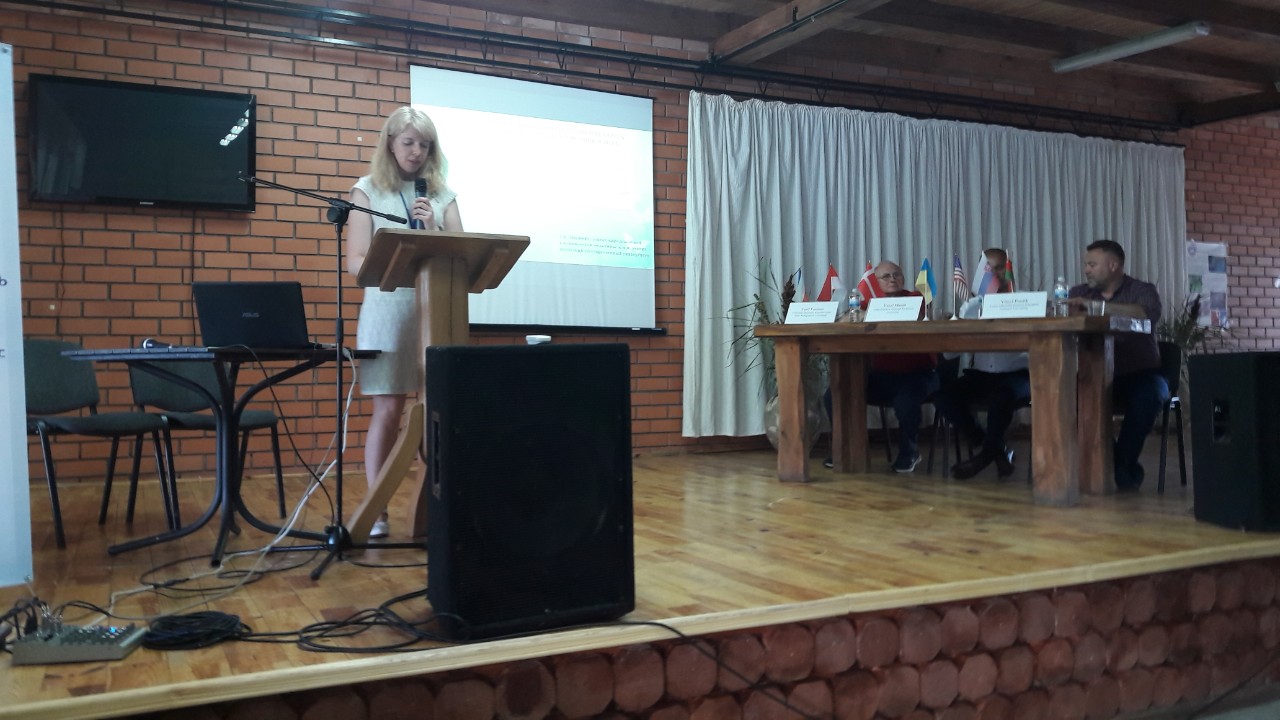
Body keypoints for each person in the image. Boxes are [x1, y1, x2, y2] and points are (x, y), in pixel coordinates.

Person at [346, 107, 464, 537]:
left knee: (439, 411)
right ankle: (377, 511)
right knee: (389, 409)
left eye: (425, 145)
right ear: (390, 143)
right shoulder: (366, 191)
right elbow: (356, 262)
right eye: (409, 142)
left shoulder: (442, 196)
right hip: (387, 310)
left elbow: (463, 254)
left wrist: (435, 230)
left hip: (437, 309)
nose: (416, 152)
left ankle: (436, 509)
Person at [1066, 239, 1167, 491]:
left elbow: (1147, 314)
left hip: (1141, 374)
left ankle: (1121, 463)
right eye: (1086, 265)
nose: (1086, 270)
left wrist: (1097, 307)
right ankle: (1120, 466)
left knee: (1150, 395)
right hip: (1095, 374)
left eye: (1092, 265)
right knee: (1068, 397)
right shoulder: (1078, 293)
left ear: (1113, 265)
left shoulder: (1142, 290)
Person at [824, 261, 939, 473]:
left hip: (918, 374)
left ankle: (910, 451)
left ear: (903, 279)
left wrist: (866, 314)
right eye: (886, 276)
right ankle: (843, 448)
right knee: (835, 393)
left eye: (897, 275)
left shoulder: (915, 298)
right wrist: (855, 315)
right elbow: (845, 320)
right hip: (882, 376)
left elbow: (900, 315)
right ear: (876, 282)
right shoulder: (867, 304)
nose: (892, 279)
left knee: (906, 400)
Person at [937, 248, 1028, 480]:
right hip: (981, 375)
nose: (995, 274)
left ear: (1009, 269)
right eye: (989, 269)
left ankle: (985, 456)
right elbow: (949, 354)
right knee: (944, 396)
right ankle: (993, 448)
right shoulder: (971, 306)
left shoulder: (1026, 301)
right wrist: (953, 329)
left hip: (1018, 375)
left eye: (999, 268)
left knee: (1002, 397)